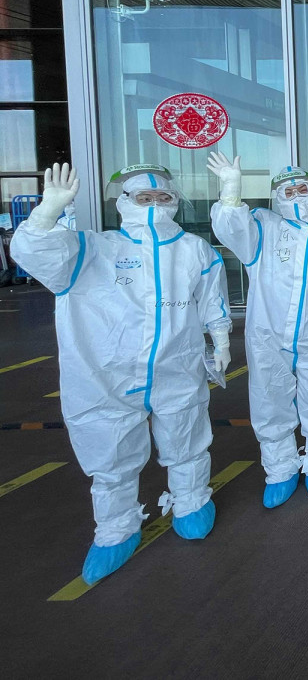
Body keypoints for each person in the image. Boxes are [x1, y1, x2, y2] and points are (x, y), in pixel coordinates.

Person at [11, 163, 232, 585]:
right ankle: (116, 530)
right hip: (105, 374)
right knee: (110, 453)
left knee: (185, 437)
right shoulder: (93, 248)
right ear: (123, 203)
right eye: (143, 198)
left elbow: (212, 301)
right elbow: (35, 254)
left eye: (163, 198)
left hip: (177, 366)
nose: (154, 205)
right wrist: (46, 214)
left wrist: (220, 341)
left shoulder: (195, 250)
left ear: (175, 203)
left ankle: (191, 502)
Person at [207, 153, 308, 507]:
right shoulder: (262, 227)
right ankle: (280, 468)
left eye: (301, 188)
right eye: (286, 191)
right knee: (269, 398)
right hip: (267, 334)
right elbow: (231, 229)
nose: (294, 195)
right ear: (276, 198)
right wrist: (230, 191)